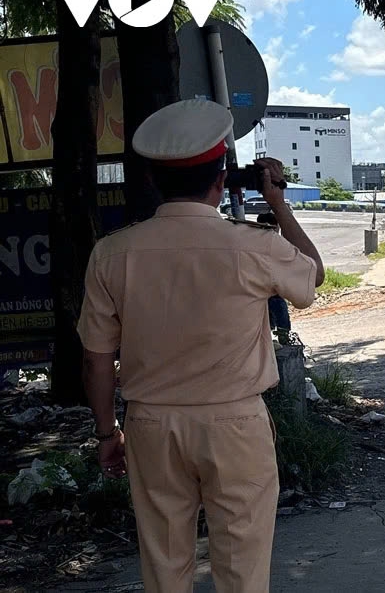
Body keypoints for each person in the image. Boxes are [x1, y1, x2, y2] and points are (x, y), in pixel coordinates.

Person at [77, 99, 323, 593]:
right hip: (235, 424)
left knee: (164, 565)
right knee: (243, 565)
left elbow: (95, 358)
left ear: (152, 180)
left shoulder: (112, 253)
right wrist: (277, 202)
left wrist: (108, 434)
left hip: (151, 424)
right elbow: (311, 275)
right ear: (221, 179)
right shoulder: (254, 245)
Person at [257, 212, 293, 332]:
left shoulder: (280, 245)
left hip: (273, 293)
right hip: (264, 293)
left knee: (281, 326)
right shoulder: (256, 246)